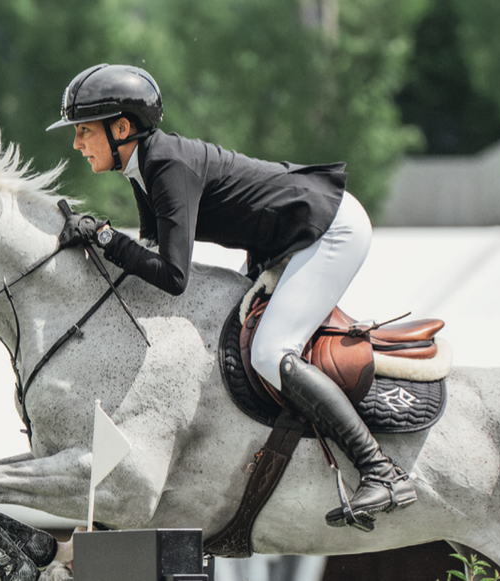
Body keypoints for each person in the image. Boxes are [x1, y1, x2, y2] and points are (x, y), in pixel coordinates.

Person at [46, 63, 415, 530]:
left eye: (83, 131)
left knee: (268, 353)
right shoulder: (144, 166)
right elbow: (147, 255)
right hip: (285, 240)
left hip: (329, 229)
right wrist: (101, 242)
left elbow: (173, 276)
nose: (76, 143)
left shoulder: (167, 166)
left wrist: (102, 238)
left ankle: (380, 469)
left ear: (121, 128)